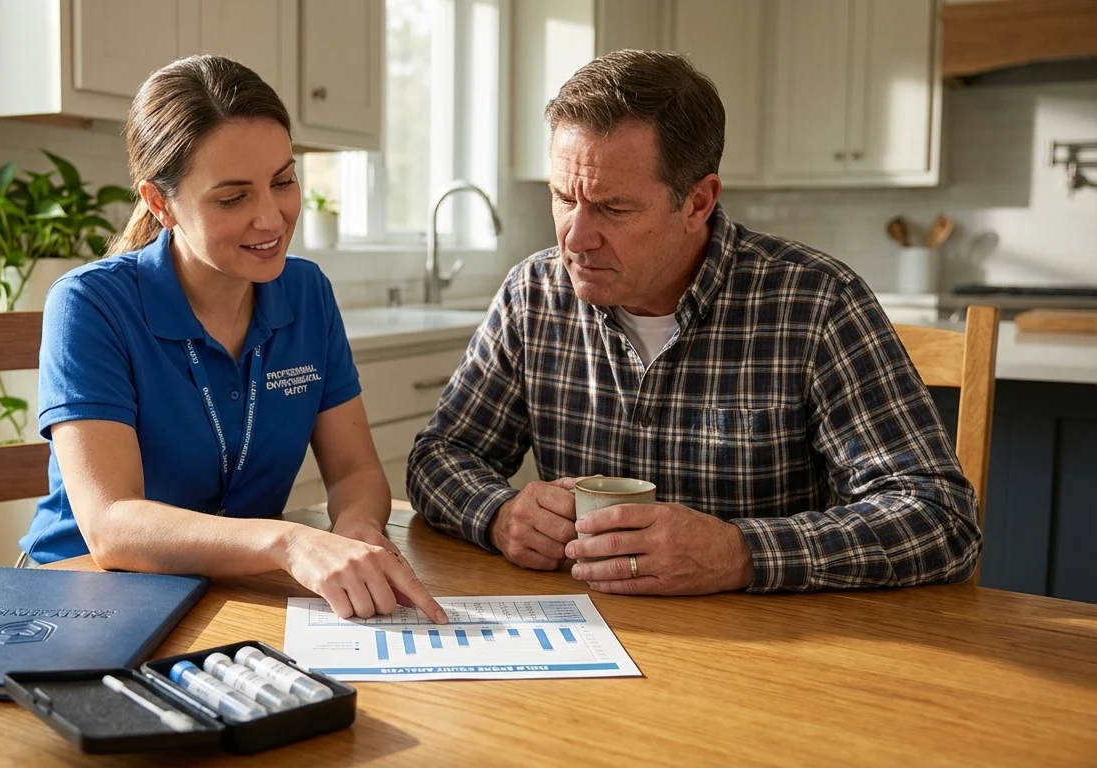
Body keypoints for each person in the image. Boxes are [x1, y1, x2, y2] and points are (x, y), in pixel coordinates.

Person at [407, 50, 981, 595]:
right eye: (563, 198)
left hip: (770, 653)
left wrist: (739, 552)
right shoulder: (533, 296)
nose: (575, 238)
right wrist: (500, 514)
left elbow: (940, 518)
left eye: (614, 207)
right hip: (587, 637)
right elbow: (440, 456)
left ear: (699, 202)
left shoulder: (817, 303)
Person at [20, 54, 447, 624]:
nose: (271, 219)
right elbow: (111, 525)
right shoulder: (89, 304)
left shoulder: (307, 292)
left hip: (232, 596)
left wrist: (357, 532)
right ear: (160, 203)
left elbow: (353, 471)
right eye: (232, 198)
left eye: (283, 182)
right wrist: (291, 543)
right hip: (81, 598)